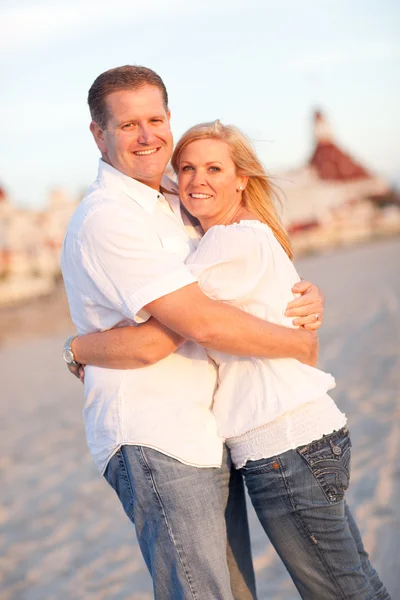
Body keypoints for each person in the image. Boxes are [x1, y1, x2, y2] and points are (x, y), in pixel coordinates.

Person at [70, 120, 391, 600]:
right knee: (353, 582)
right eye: (188, 169)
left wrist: (79, 349)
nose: (198, 181)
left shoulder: (227, 244)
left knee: (342, 591)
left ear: (242, 178)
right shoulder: (240, 235)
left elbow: (163, 335)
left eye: (215, 168)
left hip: (283, 445)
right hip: (301, 439)